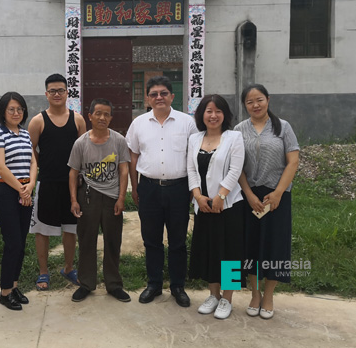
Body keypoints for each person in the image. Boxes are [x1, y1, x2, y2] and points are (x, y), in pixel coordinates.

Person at [126, 75, 197, 307]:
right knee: (151, 240)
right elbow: (133, 156)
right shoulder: (138, 123)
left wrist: (192, 188)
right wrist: (135, 187)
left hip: (179, 189)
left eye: (163, 93)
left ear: (172, 96)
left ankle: (178, 286)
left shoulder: (187, 123)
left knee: (178, 241)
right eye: (154, 94)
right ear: (148, 98)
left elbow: (193, 157)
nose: (159, 98)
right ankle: (154, 284)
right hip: (149, 189)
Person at [236, 84, 300, 320]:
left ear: (268, 100)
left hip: (276, 197)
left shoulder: (283, 127)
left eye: (259, 100)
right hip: (250, 197)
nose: (255, 105)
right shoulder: (239, 130)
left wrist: (278, 193)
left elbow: (293, 161)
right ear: (245, 105)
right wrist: (249, 194)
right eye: (250, 102)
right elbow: (237, 166)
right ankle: (255, 293)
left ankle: (269, 295)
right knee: (250, 245)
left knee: (275, 246)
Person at [187, 95, 245, 319]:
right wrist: (198, 196)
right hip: (203, 206)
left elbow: (235, 169)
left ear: (225, 115)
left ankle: (227, 298)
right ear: (202, 114)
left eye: (218, 111)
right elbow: (191, 170)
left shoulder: (234, 137)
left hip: (228, 206)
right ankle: (213, 294)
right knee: (209, 250)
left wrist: (221, 196)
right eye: (209, 111)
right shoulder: (195, 139)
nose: (213, 115)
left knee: (230, 253)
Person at [68, 99, 132, 303]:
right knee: (87, 240)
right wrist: (73, 200)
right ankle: (86, 283)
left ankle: (114, 284)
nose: (102, 117)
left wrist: (121, 197)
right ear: (90, 116)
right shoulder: (81, 143)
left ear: (111, 118)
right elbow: (73, 172)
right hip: (88, 195)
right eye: (98, 113)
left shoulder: (119, 140)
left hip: (112, 197)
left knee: (113, 240)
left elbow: (124, 170)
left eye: (106, 114)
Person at [28, 73, 87, 290]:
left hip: (72, 184)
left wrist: (80, 175)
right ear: (46, 94)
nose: (57, 94)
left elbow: (84, 149)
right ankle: (43, 272)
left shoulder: (78, 120)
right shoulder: (38, 121)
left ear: (67, 92)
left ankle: (69, 268)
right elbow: (31, 150)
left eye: (61, 90)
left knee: (71, 228)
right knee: (42, 229)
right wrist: (41, 167)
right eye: (52, 91)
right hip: (47, 182)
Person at [0, 92, 37, 311]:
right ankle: (5, 292)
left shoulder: (25, 134)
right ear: (3, 111)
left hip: (25, 190)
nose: (16, 113)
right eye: (11, 109)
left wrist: (31, 185)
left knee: (21, 242)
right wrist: (21, 190)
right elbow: (0, 167)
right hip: (7, 192)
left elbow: (33, 162)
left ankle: (15, 286)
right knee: (13, 243)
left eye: (20, 109)